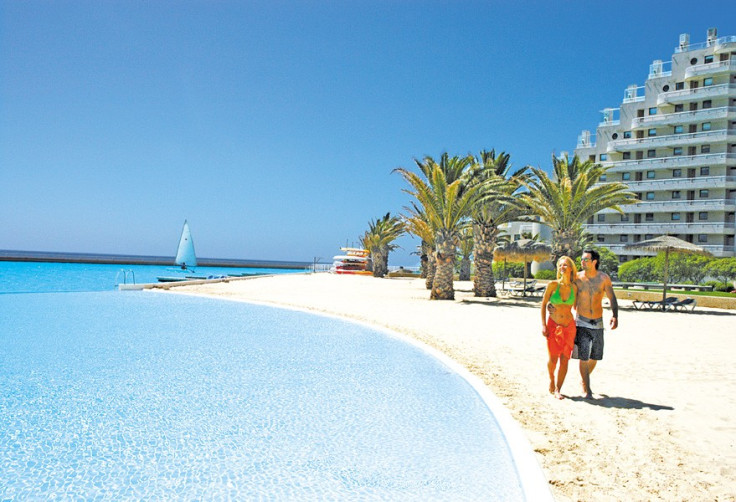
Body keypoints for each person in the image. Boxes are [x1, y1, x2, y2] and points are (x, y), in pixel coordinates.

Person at [573, 248, 618, 399]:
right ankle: (587, 388)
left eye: (586, 259)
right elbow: (568, 295)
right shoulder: (577, 277)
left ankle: (583, 379)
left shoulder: (603, 278)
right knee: (583, 356)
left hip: (598, 322)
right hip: (581, 321)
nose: (582, 262)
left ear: (594, 262)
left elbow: (612, 297)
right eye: (582, 259)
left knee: (596, 356)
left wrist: (615, 315)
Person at [540, 256, 579, 399]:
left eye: (565, 265)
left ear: (571, 268)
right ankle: (551, 379)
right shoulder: (552, 285)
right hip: (553, 326)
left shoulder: (575, 287)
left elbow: (578, 306)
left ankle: (558, 389)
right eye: (560, 265)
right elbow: (544, 304)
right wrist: (544, 324)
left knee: (564, 359)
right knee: (553, 359)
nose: (562, 267)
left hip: (569, 327)